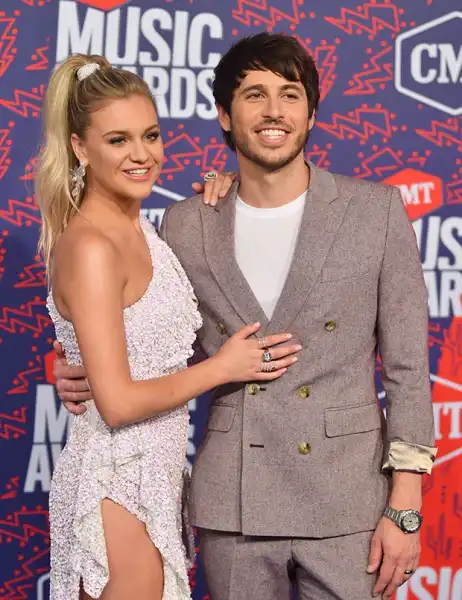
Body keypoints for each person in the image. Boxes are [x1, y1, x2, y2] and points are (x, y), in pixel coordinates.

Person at [54, 34, 437, 600]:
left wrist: (405, 506)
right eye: (255, 95)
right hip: (233, 505)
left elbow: (407, 369)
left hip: (348, 502)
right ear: (225, 116)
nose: (274, 111)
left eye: (290, 94)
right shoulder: (186, 224)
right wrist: (71, 364)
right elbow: (147, 335)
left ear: (311, 113)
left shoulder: (375, 212)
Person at [37, 53, 302, 600]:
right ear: (80, 148)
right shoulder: (91, 246)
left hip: (155, 483)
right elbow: (117, 403)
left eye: (151, 136)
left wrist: (231, 187)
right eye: (118, 140)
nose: (142, 155)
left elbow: (128, 345)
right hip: (116, 482)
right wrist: (222, 368)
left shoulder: (147, 231)